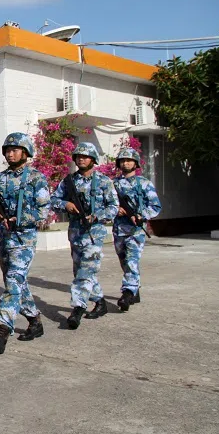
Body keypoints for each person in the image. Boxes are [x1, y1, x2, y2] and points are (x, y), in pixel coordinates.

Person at [0, 133, 52, 354]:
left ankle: (2, 331)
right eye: (7, 150)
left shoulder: (36, 179)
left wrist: (20, 219)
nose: (10, 154)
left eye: (15, 149)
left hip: (24, 239)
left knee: (12, 283)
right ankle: (34, 320)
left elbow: (43, 211)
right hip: (3, 237)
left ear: (26, 152)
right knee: (17, 283)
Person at [50, 141, 119, 329]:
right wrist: (66, 205)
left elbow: (113, 207)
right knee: (82, 270)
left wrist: (97, 215)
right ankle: (100, 302)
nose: (81, 159)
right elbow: (54, 200)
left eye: (85, 156)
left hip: (94, 234)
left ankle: (78, 308)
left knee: (85, 272)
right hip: (76, 233)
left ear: (93, 160)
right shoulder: (69, 181)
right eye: (78, 156)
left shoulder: (104, 181)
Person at [112, 146, 161, 311]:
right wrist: (115, 209)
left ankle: (126, 293)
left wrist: (142, 215)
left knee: (132, 261)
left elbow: (155, 206)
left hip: (136, 230)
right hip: (119, 229)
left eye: (129, 160)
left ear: (135, 163)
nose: (126, 163)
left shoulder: (144, 183)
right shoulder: (113, 184)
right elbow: (105, 204)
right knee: (124, 262)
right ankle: (134, 289)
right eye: (123, 160)